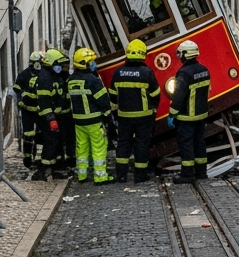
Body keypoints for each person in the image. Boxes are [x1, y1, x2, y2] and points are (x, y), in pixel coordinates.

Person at [112, 39, 162, 183]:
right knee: (142, 145)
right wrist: (153, 109)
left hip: (124, 116)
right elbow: (155, 94)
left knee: (123, 144)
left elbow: (113, 96)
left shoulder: (118, 72)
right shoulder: (146, 72)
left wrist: (116, 113)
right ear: (142, 54)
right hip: (144, 116)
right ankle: (140, 175)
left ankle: (121, 175)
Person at [68, 48, 114, 183]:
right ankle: (100, 176)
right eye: (92, 61)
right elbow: (103, 100)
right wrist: (107, 115)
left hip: (78, 121)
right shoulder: (93, 80)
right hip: (94, 120)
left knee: (81, 148)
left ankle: (82, 175)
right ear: (86, 63)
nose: (94, 63)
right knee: (98, 147)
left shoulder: (71, 80)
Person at [168, 40, 210, 184]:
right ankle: (201, 172)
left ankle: (187, 174)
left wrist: (172, 114)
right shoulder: (204, 69)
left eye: (180, 53)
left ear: (186, 54)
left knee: (185, 144)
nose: (179, 56)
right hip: (201, 115)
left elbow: (179, 96)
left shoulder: (184, 73)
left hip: (187, 117)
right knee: (199, 142)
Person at [35, 49, 71, 179]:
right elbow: (44, 102)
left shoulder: (55, 76)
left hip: (57, 116)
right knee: (50, 142)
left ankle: (58, 168)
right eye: (58, 64)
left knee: (58, 142)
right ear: (51, 63)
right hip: (48, 118)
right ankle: (43, 170)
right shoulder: (45, 78)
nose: (61, 67)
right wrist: (51, 119)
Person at [13, 51, 44, 179]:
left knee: (40, 134)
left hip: (38, 110)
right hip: (28, 111)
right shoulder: (24, 75)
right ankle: (27, 159)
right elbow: (16, 89)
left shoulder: (42, 74)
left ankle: (38, 159)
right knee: (28, 135)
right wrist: (21, 100)